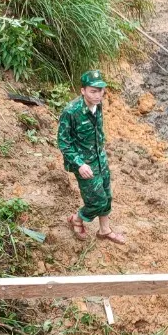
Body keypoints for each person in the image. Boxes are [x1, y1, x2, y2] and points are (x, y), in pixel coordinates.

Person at [57, 69, 126, 244]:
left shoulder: (98, 105)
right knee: (97, 201)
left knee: (107, 196)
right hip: (84, 162)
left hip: (99, 157)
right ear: (83, 91)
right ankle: (77, 219)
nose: (97, 95)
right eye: (93, 91)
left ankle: (104, 230)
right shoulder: (71, 112)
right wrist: (79, 164)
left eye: (100, 90)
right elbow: (64, 143)